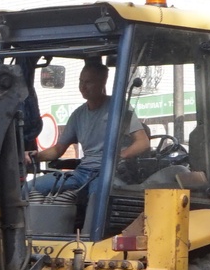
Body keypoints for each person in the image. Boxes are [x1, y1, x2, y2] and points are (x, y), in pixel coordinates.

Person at [28, 60, 149, 197]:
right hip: (81, 173)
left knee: (96, 201)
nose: (83, 87)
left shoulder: (118, 108)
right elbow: (57, 150)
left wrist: (118, 157)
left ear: (102, 82)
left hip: (106, 173)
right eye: (81, 82)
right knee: (29, 188)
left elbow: (142, 142)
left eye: (88, 82)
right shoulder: (78, 115)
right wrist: (35, 157)